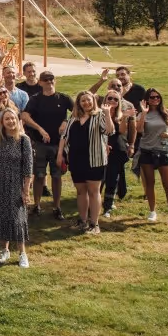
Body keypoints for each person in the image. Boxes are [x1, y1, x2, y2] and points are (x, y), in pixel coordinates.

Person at [57, 91, 115, 233]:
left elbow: (109, 131)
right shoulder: (74, 117)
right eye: (83, 101)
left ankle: (94, 224)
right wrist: (60, 154)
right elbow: (64, 136)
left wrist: (107, 114)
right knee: (81, 191)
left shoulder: (100, 115)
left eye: (88, 100)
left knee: (94, 191)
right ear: (79, 103)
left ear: (93, 101)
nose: (86, 103)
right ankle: (82, 221)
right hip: (76, 160)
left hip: (95, 160)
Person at [0, 110, 33, 268]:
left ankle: (22, 253)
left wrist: (26, 190)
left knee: (17, 218)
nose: (10, 121)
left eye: (13, 118)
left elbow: (28, 168)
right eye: (7, 119)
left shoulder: (24, 140)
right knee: (2, 215)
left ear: (17, 120)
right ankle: (4, 250)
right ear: (2, 122)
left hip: (16, 184)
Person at [20, 71, 73, 219]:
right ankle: (36, 205)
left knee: (57, 176)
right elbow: (24, 116)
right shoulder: (35, 99)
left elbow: (77, 111)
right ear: (40, 83)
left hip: (59, 144)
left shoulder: (63, 98)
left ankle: (57, 207)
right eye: (46, 80)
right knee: (39, 175)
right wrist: (39, 129)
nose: (49, 82)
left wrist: (66, 122)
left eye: (51, 79)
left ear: (55, 81)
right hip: (40, 143)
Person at [132, 88, 168, 226]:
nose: (155, 99)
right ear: (147, 99)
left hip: (163, 150)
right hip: (147, 150)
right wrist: (143, 113)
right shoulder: (143, 114)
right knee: (149, 183)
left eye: (157, 97)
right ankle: (152, 211)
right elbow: (139, 130)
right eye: (152, 97)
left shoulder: (167, 113)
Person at [102, 89, 136, 218]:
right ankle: (93, 203)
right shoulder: (98, 113)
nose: (112, 101)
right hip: (101, 148)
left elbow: (121, 131)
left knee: (112, 178)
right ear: (105, 99)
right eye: (110, 98)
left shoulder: (120, 115)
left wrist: (125, 118)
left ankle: (108, 207)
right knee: (99, 178)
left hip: (117, 149)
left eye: (116, 99)